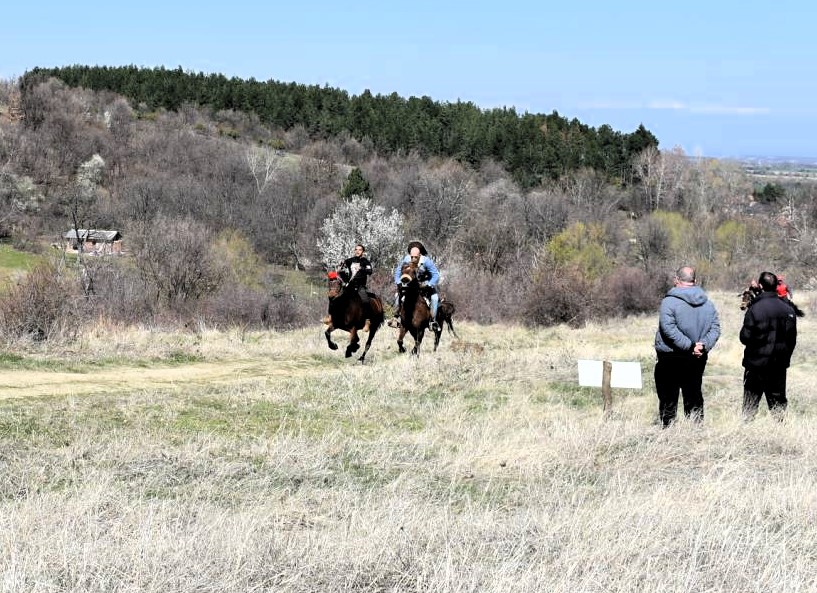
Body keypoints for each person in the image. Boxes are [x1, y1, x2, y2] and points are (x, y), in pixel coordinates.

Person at [654, 265, 721, 427]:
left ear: (676, 280)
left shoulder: (669, 302)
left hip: (671, 356)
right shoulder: (708, 303)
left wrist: (691, 346)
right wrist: (702, 346)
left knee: (668, 397)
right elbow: (715, 328)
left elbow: (668, 329)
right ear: (695, 281)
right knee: (694, 394)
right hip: (697, 357)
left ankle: (668, 432)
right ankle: (695, 430)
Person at [740, 271, 797, 421]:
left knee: (750, 404)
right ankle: (781, 435)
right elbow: (792, 340)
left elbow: (745, 337)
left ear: (760, 286)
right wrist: (784, 358)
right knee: (778, 405)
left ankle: (745, 433)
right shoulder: (788, 310)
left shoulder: (755, 309)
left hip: (755, 364)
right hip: (778, 364)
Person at [389, 241, 441, 331]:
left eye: (415, 257)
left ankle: (433, 321)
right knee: (397, 296)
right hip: (411, 285)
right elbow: (397, 272)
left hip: (425, 285)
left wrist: (429, 284)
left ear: (420, 255)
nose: (413, 259)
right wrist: (398, 282)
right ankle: (396, 317)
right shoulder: (406, 259)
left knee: (435, 298)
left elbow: (436, 275)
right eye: (411, 256)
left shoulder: (426, 261)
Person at [323, 244, 373, 331]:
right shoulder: (350, 260)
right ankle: (331, 316)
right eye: (356, 249)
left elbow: (370, 271)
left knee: (365, 300)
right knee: (334, 297)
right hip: (350, 286)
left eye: (360, 250)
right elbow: (341, 268)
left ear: (363, 252)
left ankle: (367, 321)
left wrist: (361, 268)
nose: (357, 251)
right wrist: (340, 267)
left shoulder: (365, 262)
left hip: (360, 286)